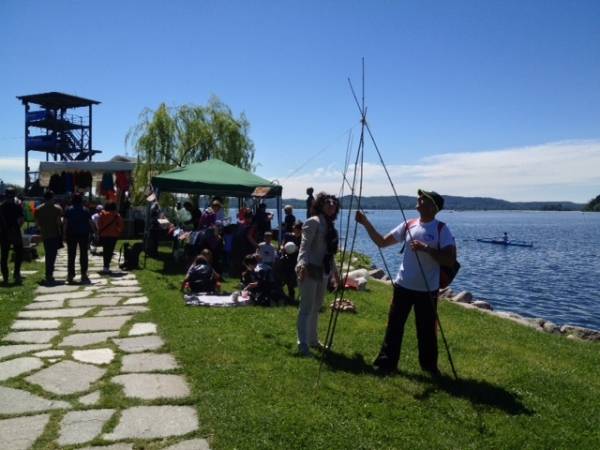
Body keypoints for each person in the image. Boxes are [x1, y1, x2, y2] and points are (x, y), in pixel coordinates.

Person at [355, 189, 456, 376]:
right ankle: (386, 364)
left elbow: (450, 259)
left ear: (433, 206)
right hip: (403, 286)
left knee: (426, 331)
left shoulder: (442, 229)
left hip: (428, 290)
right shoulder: (408, 224)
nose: (418, 199)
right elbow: (382, 242)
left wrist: (426, 248)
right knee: (394, 327)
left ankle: (429, 367)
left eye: (423, 198)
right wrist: (365, 223)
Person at [295, 192, 340, 356]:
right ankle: (303, 344)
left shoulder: (330, 226)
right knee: (306, 308)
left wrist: (337, 275)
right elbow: (304, 246)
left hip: (324, 271)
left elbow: (330, 253)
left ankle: (313, 340)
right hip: (309, 268)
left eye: (334, 203)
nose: (331, 205)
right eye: (328, 202)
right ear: (320, 205)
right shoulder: (312, 222)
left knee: (316, 307)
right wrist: (301, 265)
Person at [63, 193, 94, 284]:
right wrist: (95, 231)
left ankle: (70, 275)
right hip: (83, 234)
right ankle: (84, 274)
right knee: (84, 255)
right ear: (81, 200)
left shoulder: (68, 210)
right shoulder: (86, 210)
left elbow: (65, 223)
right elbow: (90, 222)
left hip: (71, 234)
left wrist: (64, 234)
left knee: (71, 255)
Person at [34, 190, 63, 284]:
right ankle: (49, 274)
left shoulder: (38, 209)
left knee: (48, 254)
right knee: (52, 256)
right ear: (52, 197)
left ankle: (48, 275)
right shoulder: (57, 208)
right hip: (54, 234)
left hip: (45, 234)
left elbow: (37, 224)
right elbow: (59, 223)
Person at [0, 188, 24, 284]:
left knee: (4, 255)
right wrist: (17, 227)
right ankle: (16, 274)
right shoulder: (17, 206)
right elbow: (21, 220)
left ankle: (5, 277)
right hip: (15, 232)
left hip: (3, 233)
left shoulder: (1, 207)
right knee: (18, 253)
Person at [97, 202, 124, 274]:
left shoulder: (102, 214)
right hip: (113, 236)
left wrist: (100, 231)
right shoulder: (116, 215)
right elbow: (121, 225)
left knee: (105, 251)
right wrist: (117, 231)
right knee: (110, 251)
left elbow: (99, 224)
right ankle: (107, 266)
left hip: (104, 235)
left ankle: (105, 267)